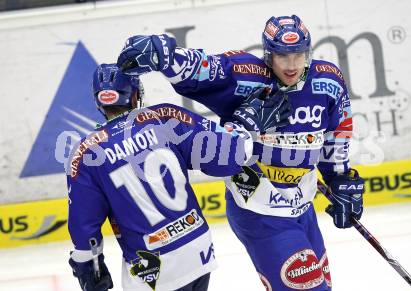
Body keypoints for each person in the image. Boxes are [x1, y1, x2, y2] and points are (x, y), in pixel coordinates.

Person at [116, 14, 365, 291]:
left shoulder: (328, 81)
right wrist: (166, 56)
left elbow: (336, 133)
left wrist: (340, 178)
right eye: (283, 56)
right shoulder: (246, 75)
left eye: (299, 55)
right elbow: (204, 69)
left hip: (303, 207)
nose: (292, 65)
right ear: (269, 55)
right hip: (259, 210)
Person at [66, 63, 290, 291]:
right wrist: (247, 123)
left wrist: (89, 268)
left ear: (99, 101)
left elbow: (84, 228)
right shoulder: (165, 117)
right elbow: (228, 156)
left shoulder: (85, 154)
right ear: (135, 93)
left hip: (150, 270)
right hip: (196, 249)